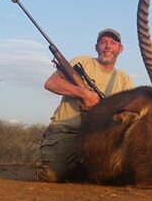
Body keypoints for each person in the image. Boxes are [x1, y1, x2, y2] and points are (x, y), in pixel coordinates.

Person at [36, 28, 134, 182]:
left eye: (113, 43)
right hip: (67, 130)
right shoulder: (83, 62)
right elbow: (51, 83)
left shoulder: (124, 79)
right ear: (96, 47)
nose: (107, 46)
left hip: (100, 138)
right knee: (51, 175)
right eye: (103, 42)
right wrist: (83, 94)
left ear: (120, 49)